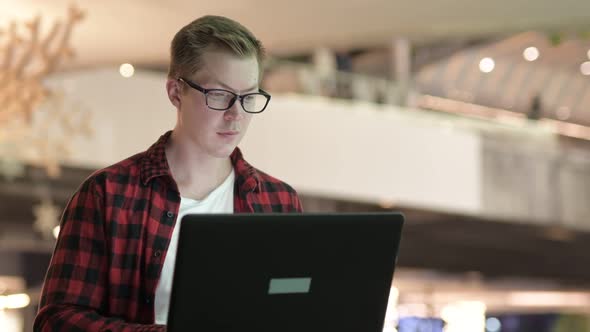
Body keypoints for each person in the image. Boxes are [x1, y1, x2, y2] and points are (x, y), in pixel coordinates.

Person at [34, 15, 303, 332]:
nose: (236, 114)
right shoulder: (106, 194)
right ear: (176, 92)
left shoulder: (280, 202)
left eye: (249, 97)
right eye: (219, 95)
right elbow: (56, 322)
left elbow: (294, 311)